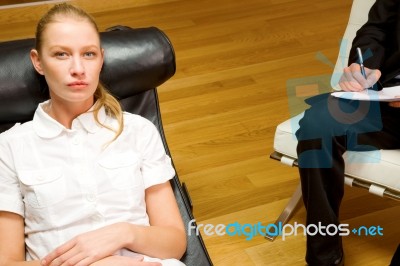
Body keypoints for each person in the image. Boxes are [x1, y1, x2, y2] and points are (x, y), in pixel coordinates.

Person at [0, 3, 186, 266]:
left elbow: (174, 243)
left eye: (88, 54)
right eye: (61, 55)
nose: (78, 68)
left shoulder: (139, 131)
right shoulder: (9, 148)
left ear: (101, 58)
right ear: (38, 62)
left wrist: (123, 233)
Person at [296, 0, 400, 265]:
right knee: (318, 124)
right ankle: (324, 257)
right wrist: (361, 66)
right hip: (384, 98)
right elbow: (376, 29)